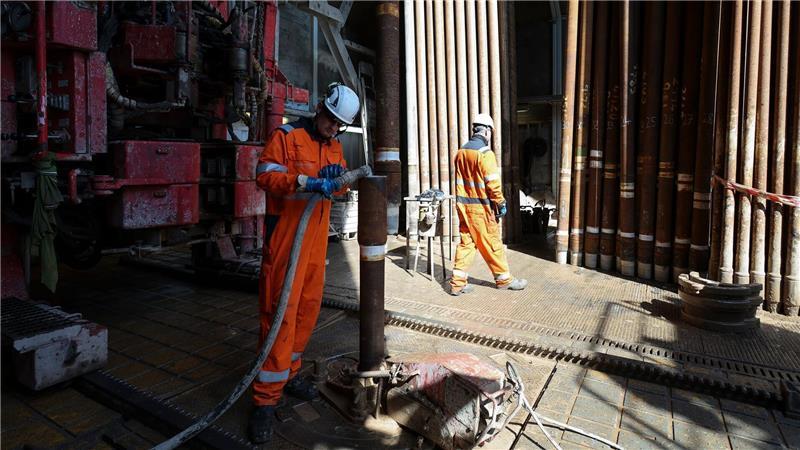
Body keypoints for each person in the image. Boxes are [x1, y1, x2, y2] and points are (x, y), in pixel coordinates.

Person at [249, 83, 360, 443]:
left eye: (340, 125)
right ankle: (265, 400)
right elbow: (264, 175)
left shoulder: (335, 146)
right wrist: (303, 180)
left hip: (315, 243)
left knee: (306, 311)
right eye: (331, 120)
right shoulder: (287, 135)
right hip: (286, 241)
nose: (333, 128)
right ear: (320, 109)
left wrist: (334, 181)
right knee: (280, 314)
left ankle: (291, 372)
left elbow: (340, 182)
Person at [449, 113, 528, 296]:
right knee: (492, 243)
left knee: (467, 243)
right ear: (486, 131)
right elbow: (492, 183)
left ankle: (457, 283)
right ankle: (504, 280)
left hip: (463, 207)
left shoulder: (461, 152)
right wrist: (500, 203)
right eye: (490, 132)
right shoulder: (485, 154)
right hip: (481, 209)